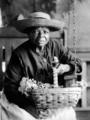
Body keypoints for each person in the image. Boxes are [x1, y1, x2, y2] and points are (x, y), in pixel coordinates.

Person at [2, 12, 82, 120]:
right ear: (29, 33)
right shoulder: (19, 54)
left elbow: (77, 63)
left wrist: (65, 67)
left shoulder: (56, 46)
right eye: (36, 31)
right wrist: (33, 109)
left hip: (53, 100)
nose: (41, 36)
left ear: (49, 33)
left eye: (45, 32)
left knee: (67, 114)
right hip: (26, 101)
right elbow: (10, 87)